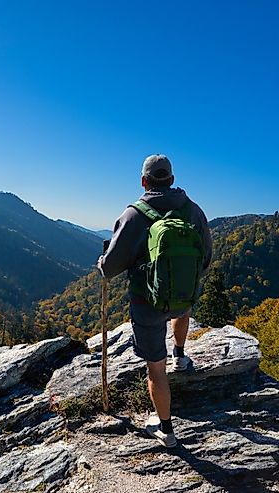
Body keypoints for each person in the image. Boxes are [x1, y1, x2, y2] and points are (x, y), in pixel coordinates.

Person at [97, 154, 212, 448]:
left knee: (155, 370)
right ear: (172, 180)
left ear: (144, 181)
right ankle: (181, 355)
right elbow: (206, 258)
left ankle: (166, 430)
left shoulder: (134, 215)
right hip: (184, 297)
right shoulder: (194, 212)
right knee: (180, 311)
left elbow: (110, 268)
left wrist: (101, 262)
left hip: (147, 302)